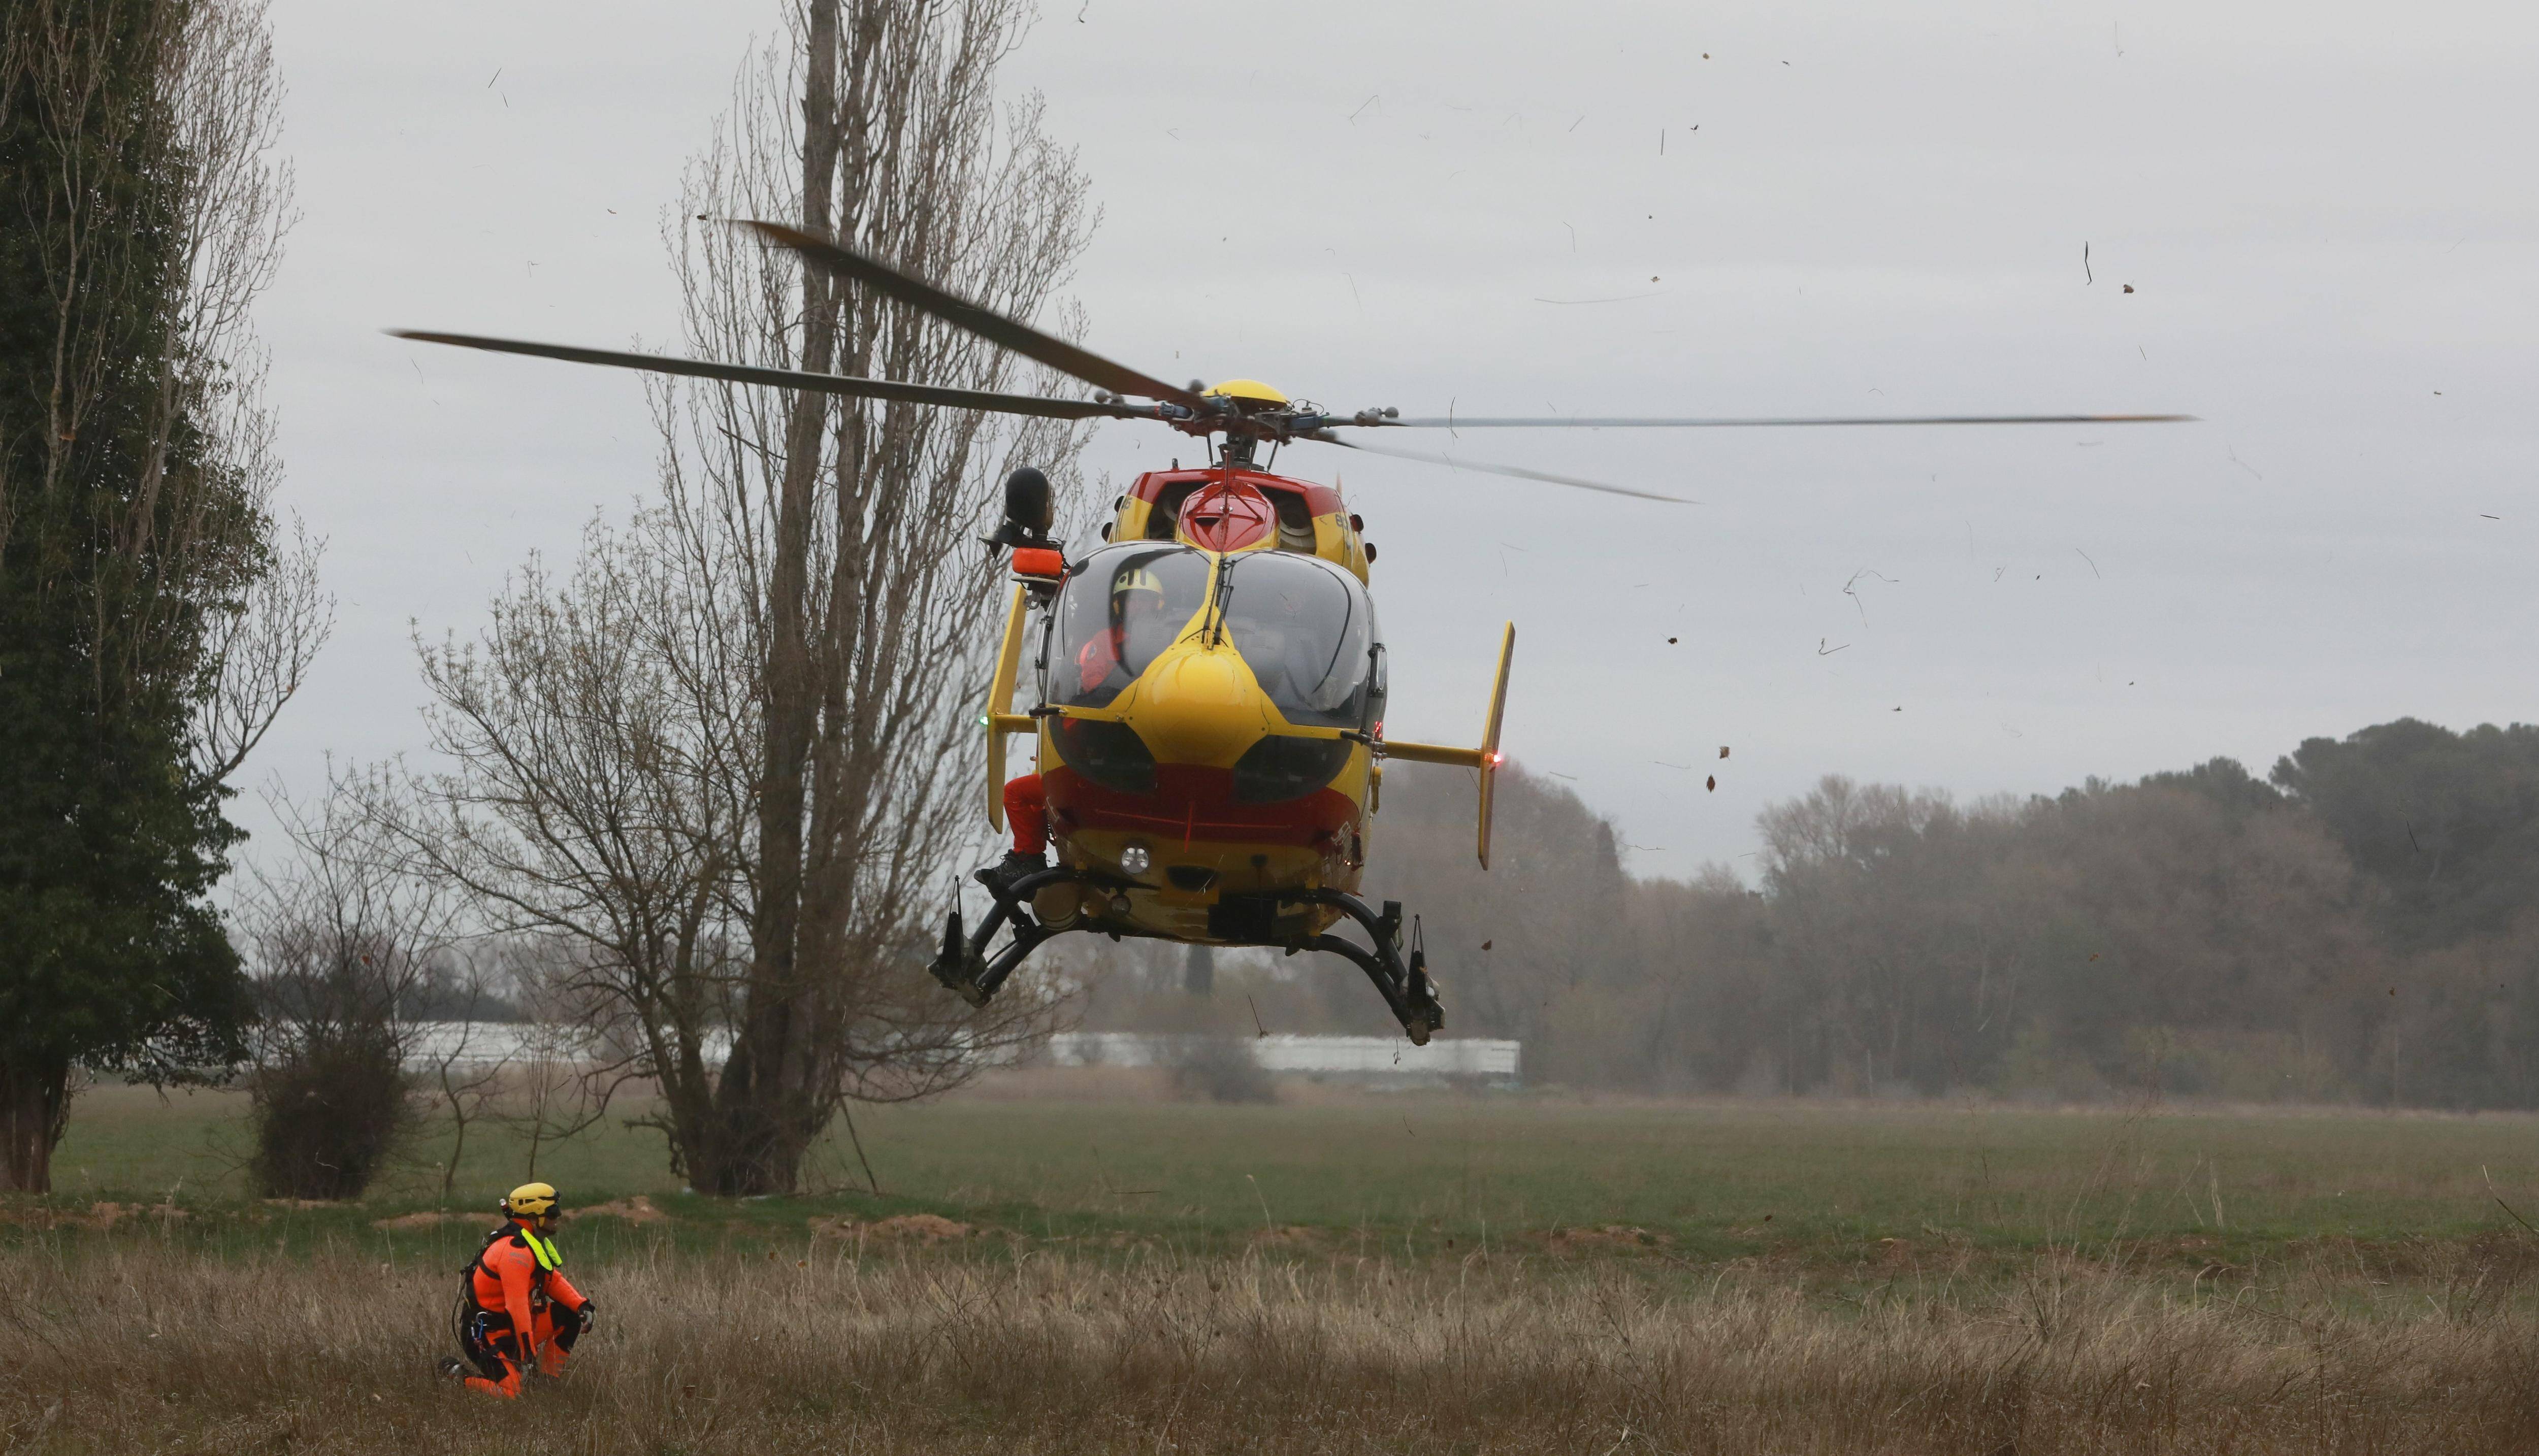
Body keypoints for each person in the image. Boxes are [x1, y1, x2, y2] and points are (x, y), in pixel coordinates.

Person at [984, 568, 1175, 897]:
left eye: (1145, 601)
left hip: (1148, 768)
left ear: (1158, 606)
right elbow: (1090, 683)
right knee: (1017, 793)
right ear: (1119, 606)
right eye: (1131, 601)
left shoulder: (1172, 645)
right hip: (1092, 765)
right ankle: (1027, 858)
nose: (1138, 607)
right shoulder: (1103, 643)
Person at [437, 1182, 595, 1398]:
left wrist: (581, 1305)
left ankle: (546, 1385)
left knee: (569, 1316)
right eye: (552, 1212)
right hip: (486, 1334)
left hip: (512, 1329)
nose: (558, 1217)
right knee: (514, 1394)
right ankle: (460, 1377)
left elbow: (550, 1280)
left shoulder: (531, 1241)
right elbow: (517, 1307)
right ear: (534, 1217)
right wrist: (528, 1354)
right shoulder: (515, 1253)